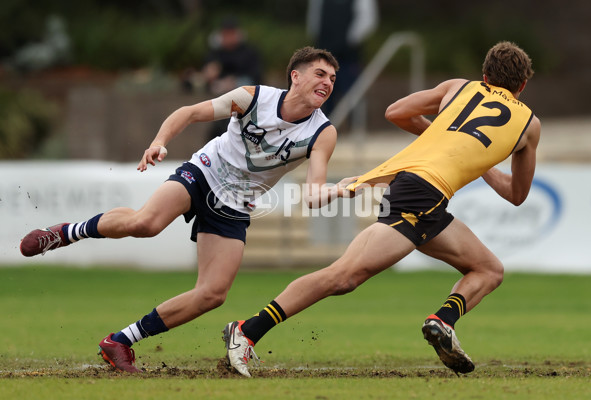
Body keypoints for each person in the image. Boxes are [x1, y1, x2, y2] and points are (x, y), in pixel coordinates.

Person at [20, 46, 351, 373]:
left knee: (212, 294)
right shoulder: (253, 98)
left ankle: (119, 341)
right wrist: (159, 142)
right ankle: (64, 233)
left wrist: (338, 190)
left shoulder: (323, 132)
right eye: (319, 74)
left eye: (333, 78)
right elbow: (190, 112)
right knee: (146, 223)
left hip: (234, 202)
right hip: (205, 172)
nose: (327, 83)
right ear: (295, 76)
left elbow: (312, 195)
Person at [223, 41, 540, 377]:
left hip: (418, 193)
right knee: (343, 277)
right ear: (522, 86)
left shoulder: (458, 88)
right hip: (420, 196)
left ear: (485, 75)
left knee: (489, 269)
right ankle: (246, 331)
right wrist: (482, 162)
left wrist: (448, 135)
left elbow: (396, 112)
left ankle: (442, 322)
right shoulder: (529, 125)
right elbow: (516, 194)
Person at [181, 15, 262, 141]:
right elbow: (206, 75)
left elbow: (256, 77)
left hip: (243, 96)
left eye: (231, 34)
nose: (228, 38)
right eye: (225, 34)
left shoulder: (249, 53)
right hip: (218, 98)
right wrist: (207, 74)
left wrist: (232, 82)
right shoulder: (215, 54)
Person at [306, 0, 378, 116]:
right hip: (325, 52)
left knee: (352, 93)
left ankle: (356, 128)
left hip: (348, 55)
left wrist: (349, 41)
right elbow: (314, 20)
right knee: (323, 94)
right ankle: (325, 127)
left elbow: (367, 20)